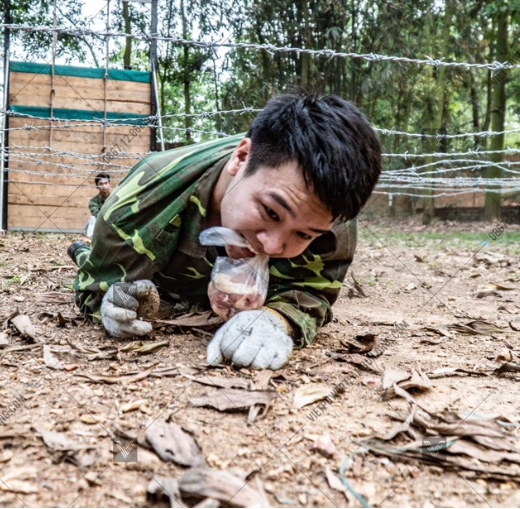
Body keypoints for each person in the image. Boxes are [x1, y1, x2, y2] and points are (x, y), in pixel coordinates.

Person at [67, 90, 382, 370]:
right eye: (271, 212)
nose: (271, 247)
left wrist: (276, 319)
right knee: (88, 256)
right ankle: (78, 249)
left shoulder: (327, 214)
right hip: (165, 275)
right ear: (241, 158)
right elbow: (98, 288)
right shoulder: (141, 200)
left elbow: (312, 291)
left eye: (303, 235)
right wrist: (114, 303)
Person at [84, 173, 112, 237]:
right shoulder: (93, 201)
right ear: (97, 186)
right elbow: (97, 215)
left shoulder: (115, 198)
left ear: (109, 184)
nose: (104, 186)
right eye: (101, 184)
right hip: (101, 228)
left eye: (106, 183)